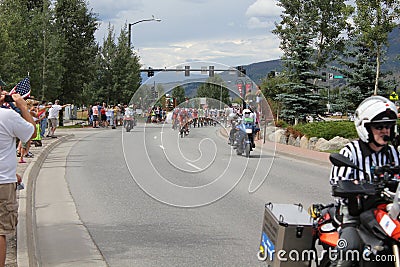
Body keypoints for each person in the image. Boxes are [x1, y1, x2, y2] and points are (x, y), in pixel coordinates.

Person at [329, 95, 400, 266]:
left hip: (386, 211)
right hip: (353, 213)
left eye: (389, 126)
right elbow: (337, 182)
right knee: (350, 248)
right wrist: (359, 187)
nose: (385, 131)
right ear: (365, 128)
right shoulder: (351, 152)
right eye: (379, 127)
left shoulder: (393, 152)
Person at [0, 92, 36, 266]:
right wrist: (22, 106)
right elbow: (31, 133)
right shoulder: (7, 115)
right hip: (2, 183)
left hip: (6, 176)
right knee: (0, 231)